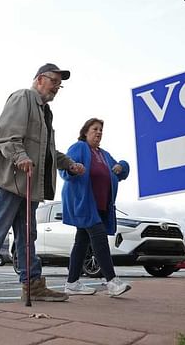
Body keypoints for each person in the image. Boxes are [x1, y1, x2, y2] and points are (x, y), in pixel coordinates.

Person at [0, 63, 85, 303]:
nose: (57, 87)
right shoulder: (23, 97)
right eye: (53, 81)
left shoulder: (45, 112)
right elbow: (5, 134)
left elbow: (47, 151)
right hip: (8, 180)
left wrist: (68, 164)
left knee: (28, 235)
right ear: (38, 79)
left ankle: (32, 283)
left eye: (59, 84)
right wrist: (21, 156)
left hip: (28, 184)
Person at [60, 118, 132, 297]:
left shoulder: (104, 154)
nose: (99, 132)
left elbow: (121, 171)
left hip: (100, 205)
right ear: (85, 132)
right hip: (83, 202)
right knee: (98, 237)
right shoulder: (79, 148)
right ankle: (112, 282)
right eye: (95, 129)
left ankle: (72, 283)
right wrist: (73, 168)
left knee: (81, 242)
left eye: (101, 130)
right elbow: (64, 168)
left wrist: (121, 166)